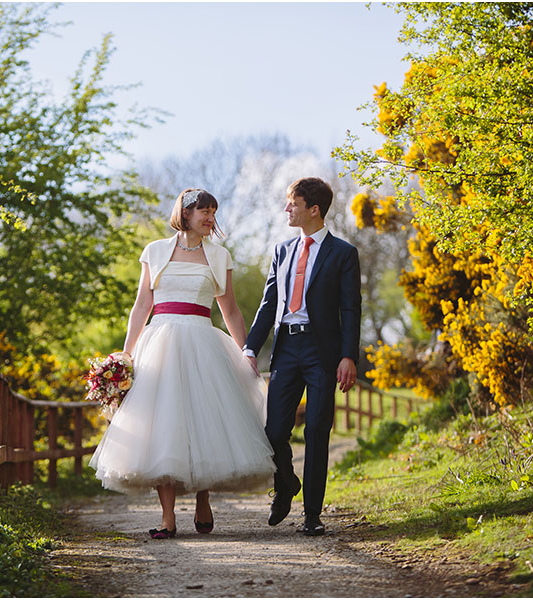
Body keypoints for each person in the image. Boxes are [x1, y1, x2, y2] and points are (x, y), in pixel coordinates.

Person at [89, 188, 275, 539]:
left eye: (214, 213)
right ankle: (167, 517)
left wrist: (247, 351)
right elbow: (142, 305)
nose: (211, 218)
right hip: (159, 342)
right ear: (185, 213)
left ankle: (204, 499)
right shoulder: (155, 251)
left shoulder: (220, 256)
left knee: (203, 418)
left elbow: (230, 309)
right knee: (164, 425)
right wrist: (126, 355)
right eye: (204, 211)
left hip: (203, 341)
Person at [243, 177, 361, 536]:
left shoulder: (343, 253)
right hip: (286, 349)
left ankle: (312, 515)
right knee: (274, 430)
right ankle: (286, 483)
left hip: (322, 352)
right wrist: (250, 347)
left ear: (313, 209)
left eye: (291, 203)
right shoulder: (281, 251)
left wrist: (348, 356)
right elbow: (267, 305)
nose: (286, 209)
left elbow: (351, 309)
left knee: (317, 432)